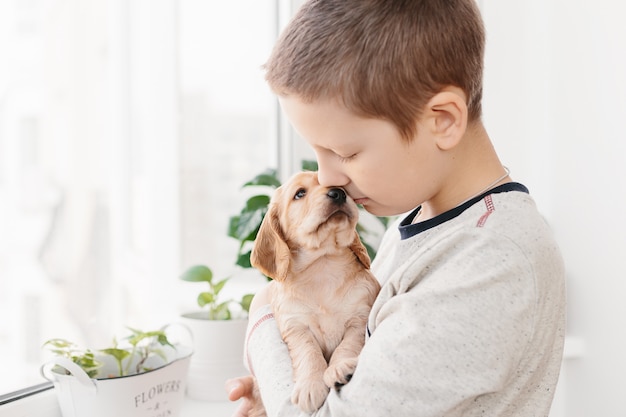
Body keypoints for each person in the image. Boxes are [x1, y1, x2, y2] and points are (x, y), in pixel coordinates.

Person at [226, 0, 566, 416]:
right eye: (318, 153)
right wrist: (277, 391)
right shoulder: (422, 221)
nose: (328, 178)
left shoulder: (490, 261)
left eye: (345, 152)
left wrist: (264, 316)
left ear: (442, 120)